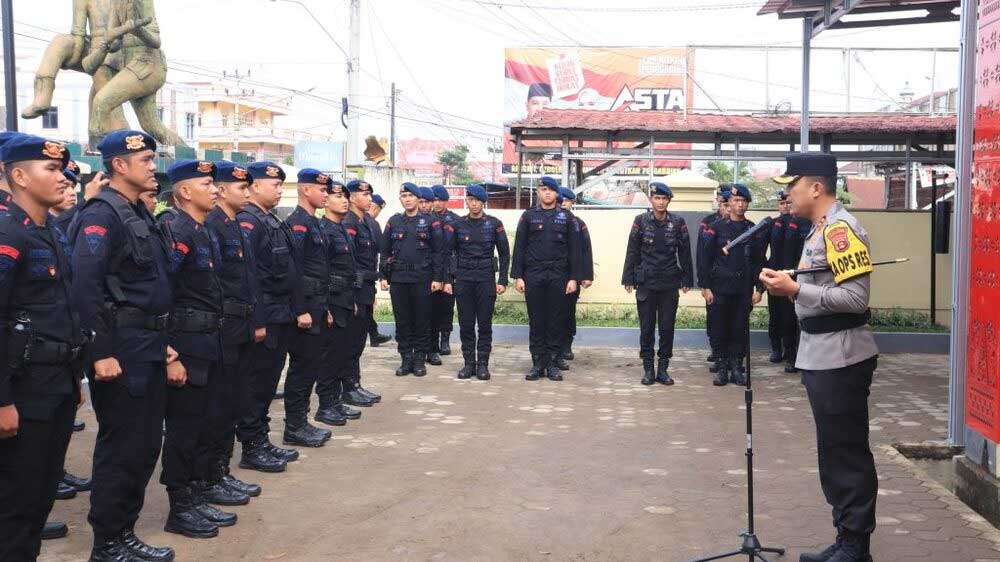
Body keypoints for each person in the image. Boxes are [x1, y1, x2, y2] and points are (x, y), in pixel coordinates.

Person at [759, 152, 878, 562]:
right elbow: (825, 282)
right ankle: (845, 538)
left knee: (846, 452)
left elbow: (854, 297)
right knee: (833, 452)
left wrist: (795, 291)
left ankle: (856, 547)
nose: (786, 193)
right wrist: (795, 282)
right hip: (822, 354)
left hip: (842, 356)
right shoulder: (820, 230)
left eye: (791, 185)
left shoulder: (841, 230)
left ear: (815, 187)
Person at [69, 130, 174, 562]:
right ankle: (107, 541)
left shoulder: (137, 212)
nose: (152, 166)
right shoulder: (102, 214)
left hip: (147, 344)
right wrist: (101, 352)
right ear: (119, 165)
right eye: (146, 159)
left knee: (145, 443)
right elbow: (85, 287)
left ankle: (123, 532)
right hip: (122, 348)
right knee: (123, 444)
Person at [0, 135, 86, 562]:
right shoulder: (7, 230)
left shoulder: (51, 229)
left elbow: (65, 308)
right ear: (18, 175)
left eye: (61, 169)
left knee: (38, 495)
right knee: (15, 503)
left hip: (57, 381)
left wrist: (75, 374)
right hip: (22, 387)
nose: (62, 176)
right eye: (50, 169)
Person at [158, 160, 240, 539]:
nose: (215, 189)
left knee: (206, 421)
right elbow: (164, 294)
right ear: (185, 192)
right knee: (184, 428)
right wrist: (170, 351)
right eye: (207, 184)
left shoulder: (202, 230)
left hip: (209, 341)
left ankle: (196, 491)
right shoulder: (175, 229)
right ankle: (180, 505)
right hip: (186, 344)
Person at [235, 161, 300, 473]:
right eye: (273, 184)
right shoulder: (249, 221)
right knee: (255, 385)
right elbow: (250, 279)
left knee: (267, 382)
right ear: (254, 186)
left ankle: (260, 439)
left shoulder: (270, 219)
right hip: (265, 316)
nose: (278, 190)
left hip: (280, 313)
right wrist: (258, 321)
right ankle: (251, 445)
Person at [204, 162, 261, 500]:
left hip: (240, 327)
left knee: (231, 404)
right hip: (222, 330)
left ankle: (221, 472)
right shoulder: (212, 226)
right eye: (241, 188)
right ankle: (209, 477)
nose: (247, 193)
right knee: (216, 408)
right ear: (223, 190)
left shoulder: (235, 225)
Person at [282, 169, 335, 448]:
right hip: (304, 308)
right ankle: (294, 426)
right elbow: (296, 270)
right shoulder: (298, 224)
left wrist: (322, 307)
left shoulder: (313, 223)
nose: (326, 194)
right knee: (302, 368)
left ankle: (301, 422)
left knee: (312, 365)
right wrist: (300, 309)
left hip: (316, 304)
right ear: (305, 190)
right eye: (322, 190)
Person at [622, 182, 693, 385]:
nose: (660, 202)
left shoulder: (678, 222)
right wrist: (628, 278)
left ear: (669, 200)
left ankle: (663, 369)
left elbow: (685, 252)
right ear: (651, 200)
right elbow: (632, 250)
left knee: (667, 327)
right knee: (646, 328)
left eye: (664, 199)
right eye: (657, 198)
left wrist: (687, 278)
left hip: (669, 282)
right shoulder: (641, 221)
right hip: (646, 282)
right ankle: (648, 370)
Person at [511, 177, 582, 381]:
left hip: (559, 275)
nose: (547, 193)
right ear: (538, 193)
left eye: (551, 190)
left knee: (555, 320)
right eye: (543, 189)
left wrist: (573, 278)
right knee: (536, 320)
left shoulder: (568, 218)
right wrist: (518, 276)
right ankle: (537, 364)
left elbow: (575, 251)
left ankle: (552, 363)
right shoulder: (528, 216)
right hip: (534, 275)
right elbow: (520, 247)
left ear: (557, 193)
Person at [697, 183, 765, 387]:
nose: (740, 205)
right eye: (736, 201)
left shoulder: (753, 229)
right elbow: (704, 259)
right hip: (719, 287)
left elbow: (758, 261)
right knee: (719, 328)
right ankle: (722, 366)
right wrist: (705, 287)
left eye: (744, 201)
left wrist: (759, 289)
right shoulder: (715, 228)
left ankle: (736, 367)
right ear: (729, 203)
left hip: (743, 288)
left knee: (739, 329)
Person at [380, 182, 446, 378]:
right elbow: (384, 251)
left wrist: (437, 278)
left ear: (418, 198)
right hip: (399, 279)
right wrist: (383, 275)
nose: (407, 199)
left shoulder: (431, 221)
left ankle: (419, 360)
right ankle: (405, 359)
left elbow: (438, 252)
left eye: (410, 195)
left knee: (422, 321)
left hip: (422, 279)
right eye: (403, 196)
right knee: (403, 321)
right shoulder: (394, 221)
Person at [445, 184, 509, 380]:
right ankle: (468, 363)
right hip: (463, 278)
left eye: (477, 201)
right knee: (465, 324)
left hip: (485, 278)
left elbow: (504, 253)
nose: (473, 204)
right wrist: (448, 279)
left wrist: (502, 280)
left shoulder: (494, 223)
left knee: (484, 324)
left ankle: (482, 364)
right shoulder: (458, 225)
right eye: (470, 200)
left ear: (483, 202)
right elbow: (448, 253)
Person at [315, 180, 356, 426]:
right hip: (331, 299)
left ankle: (335, 401)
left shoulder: (341, 228)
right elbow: (322, 272)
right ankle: (325, 405)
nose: (344, 200)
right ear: (326, 200)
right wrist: (326, 306)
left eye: (345, 196)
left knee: (341, 353)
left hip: (345, 298)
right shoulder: (324, 229)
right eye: (337, 195)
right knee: (329, 356)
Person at [343, 180, 380, 411]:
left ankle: (354, 384)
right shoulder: (349, 222)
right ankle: (348, 387)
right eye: (364, 195)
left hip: (366, 287)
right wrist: (355, 296)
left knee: (358, 341)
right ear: (352, 197)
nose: (368, 199)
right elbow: (350, 263)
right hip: (355, 290)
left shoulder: (366, 221)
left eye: (369, 195)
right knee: (351, 342)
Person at [558, 187, 593, 362]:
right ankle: (552, 348)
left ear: (572, 203)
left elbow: (586, 250)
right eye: (561, 199)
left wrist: (586, 275)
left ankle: (566, 345)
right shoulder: (550, 220)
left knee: (568, 312)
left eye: (567, 200)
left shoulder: (579, 224)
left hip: (571, 275)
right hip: (551, 273)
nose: (563, 202)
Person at [698, 185, 731, 370]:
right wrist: (704, 283)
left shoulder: (742, 225)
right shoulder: (708, 223)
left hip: (734, 283)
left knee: (733, 322)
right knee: (714, 320)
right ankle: (717, 352)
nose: (726, 207)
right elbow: (702, 254)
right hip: (714, 281)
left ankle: (731, 359)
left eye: (728, 203)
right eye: (723, 203)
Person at [429, 184, 459, 364]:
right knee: (431, 307)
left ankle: (445, 340)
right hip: (432, 270)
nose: (437, 203)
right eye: (435, 200)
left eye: (440, 200)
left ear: (446, 201)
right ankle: (431, 341)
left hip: (449, 269)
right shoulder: (427, 218)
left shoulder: (454, 220)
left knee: (447, 306)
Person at [782, 206, 811, 374]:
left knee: (807, 321)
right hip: (796, 279)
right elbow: (788, 254)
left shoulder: (824, 224)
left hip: (816, 282)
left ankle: (806, 360)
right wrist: (789, 283)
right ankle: (791, 358)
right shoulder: (796, 223)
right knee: (790, 320)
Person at [766, 191, 791, 364]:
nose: (785, 206)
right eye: (782, 203)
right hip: (774, 273)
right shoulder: (772, 224)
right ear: (778, 205)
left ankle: (790, 352)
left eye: (789, 203)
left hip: (792, 275)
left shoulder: (801, 222)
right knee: (774, 314)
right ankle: (776, 349)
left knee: (789, 316)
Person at [366, 193, 391, 347]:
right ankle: (373, 334)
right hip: (367, 274)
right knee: (366, 306)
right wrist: (382, 275)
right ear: (374, 208)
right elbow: (383, 249)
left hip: (363, 274)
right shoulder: (372, 224)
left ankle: (373, 334)